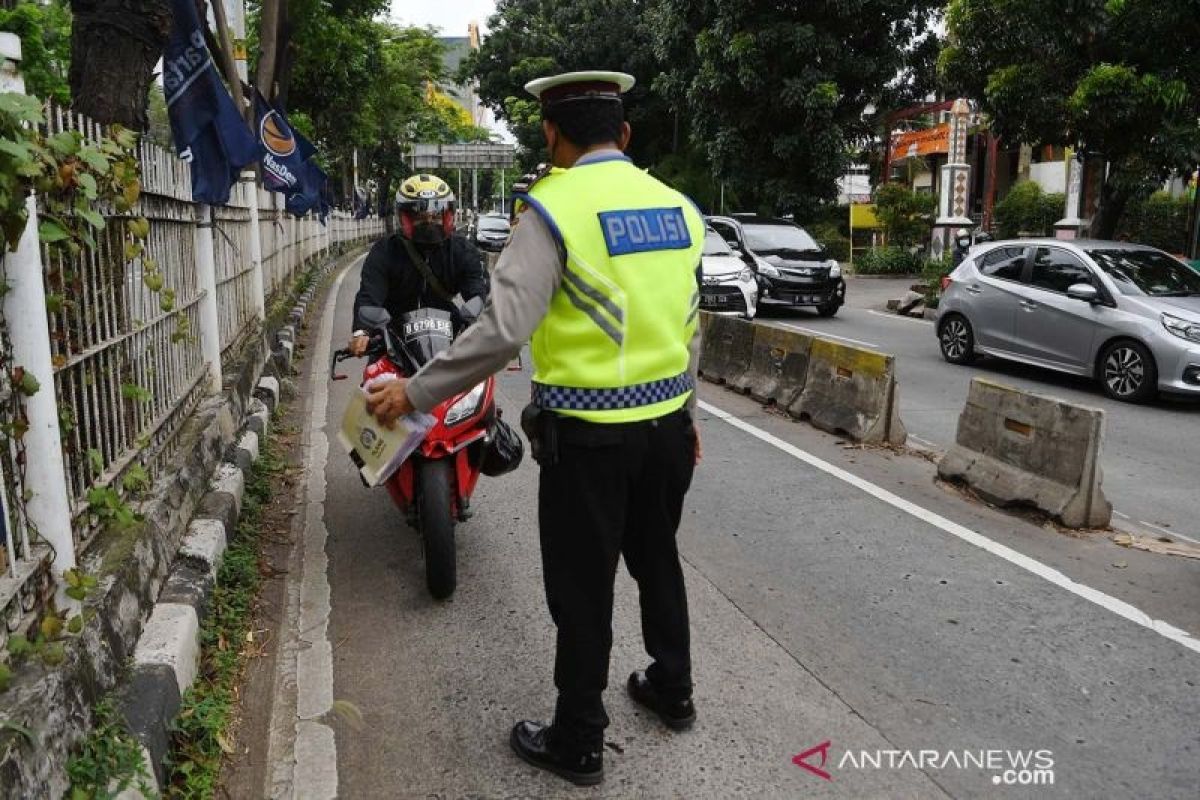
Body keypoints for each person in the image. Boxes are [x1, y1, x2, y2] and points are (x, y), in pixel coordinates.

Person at [363, 70, 705, 786]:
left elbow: (501, 332)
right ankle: (673, 689)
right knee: (657, 558)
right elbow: (690, 324)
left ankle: (579, 739)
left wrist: (414, 393)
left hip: (590, 436)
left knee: (583, 590)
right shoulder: (678, 208)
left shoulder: (550, 210)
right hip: (668, 428)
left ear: (552, 134)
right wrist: (689, 415)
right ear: (626, 133)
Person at [347, 174, 488, 353]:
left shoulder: (462, 250)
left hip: (449, 340)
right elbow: (369, 294)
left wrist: (479, 317)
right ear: (405, 217)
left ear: (447, 216)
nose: (429, 222)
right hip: (393, 339)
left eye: (435, 216)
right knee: (374, 379)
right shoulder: (385, 250)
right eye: (420, 216)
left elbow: (477, 288)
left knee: (479, 377)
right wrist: (362, 331)